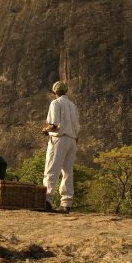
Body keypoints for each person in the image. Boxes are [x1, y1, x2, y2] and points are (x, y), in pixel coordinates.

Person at [42, 81, 80, 213]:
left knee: (52, 169)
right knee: (68, 172)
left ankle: (47, 200)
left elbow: (54, 124)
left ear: (54, 93)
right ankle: (66, 203)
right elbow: (77, 127)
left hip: (59, 139)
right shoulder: (73, 105)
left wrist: (45, 130)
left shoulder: (55, 103)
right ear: (66, 91)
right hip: (72, 140)